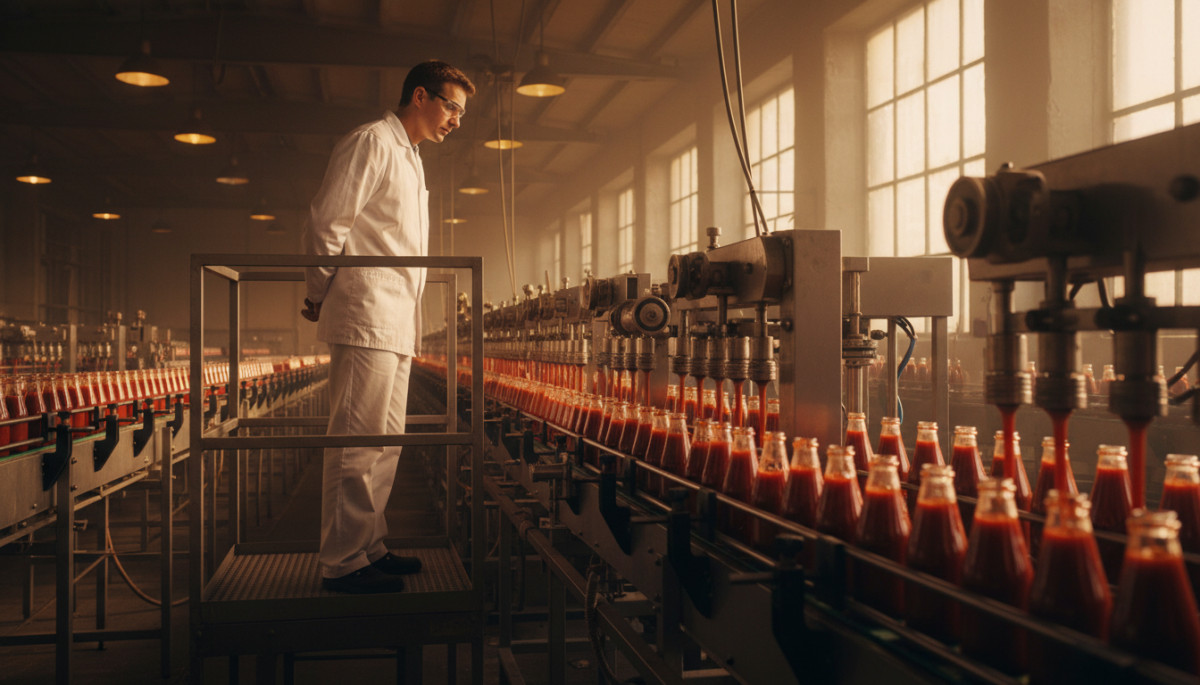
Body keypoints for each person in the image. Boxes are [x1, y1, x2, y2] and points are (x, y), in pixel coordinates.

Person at [301, 60, 475, 594]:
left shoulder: (413, 158)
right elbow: (328, 221)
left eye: (462, 113)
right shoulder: (371, 142)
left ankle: (369, 545)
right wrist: (316, 291)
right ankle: (341, 561)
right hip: (366, 314)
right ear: (419, 96)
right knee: (356, 441)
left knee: (385, 441)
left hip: (398, 319)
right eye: (451, 106)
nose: (456, 121)